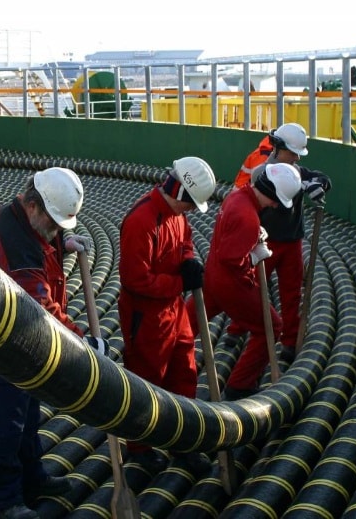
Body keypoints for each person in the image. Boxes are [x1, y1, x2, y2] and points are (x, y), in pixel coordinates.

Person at [0, 167, 107, 519]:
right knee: (7, 426)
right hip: (2, 349)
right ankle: (6, 500)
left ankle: (33, 479)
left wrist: (63, 244)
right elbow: (41, 309)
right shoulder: (18, 250)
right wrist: (82, 343)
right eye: (54, 223)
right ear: (34, 205)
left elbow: (42, 240)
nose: (56, 230)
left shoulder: (21, 217)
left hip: (23, 345)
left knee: (28, 418)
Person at [117, 156, 217, 475]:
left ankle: (182, 440)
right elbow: (135, 279)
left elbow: (185, 241)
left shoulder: (176, 215)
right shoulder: (142, 221)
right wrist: (179, 283)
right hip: (146, 316)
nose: (192, 211)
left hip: (173, 311)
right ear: (182, 193)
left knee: (184, 373)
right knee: (146, 381)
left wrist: (188, 260)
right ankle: (140, 448)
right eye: (192, 204)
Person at [199, 162, 302, 401]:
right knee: (271, 326)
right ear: (270, 191)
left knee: (187, 322)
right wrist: (253, 257)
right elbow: (232, 260)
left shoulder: (236, 198)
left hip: (212, 275)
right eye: (276, 200)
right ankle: (240, 385)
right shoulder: (248, 217)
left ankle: (161, 355)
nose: (275, 205)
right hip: (231, 284)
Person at [246, 123, 332, 363]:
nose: (296, 158)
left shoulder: (299, 170)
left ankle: (290, 341)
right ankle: (239, 330)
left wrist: (318, 184)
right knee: (252, 288)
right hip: (266, 242)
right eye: (293, 153)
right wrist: (302, 184)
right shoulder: (261, 173)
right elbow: (271, 183)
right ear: (278, 147)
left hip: (292, 242)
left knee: (291, 293)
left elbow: (323, 178)